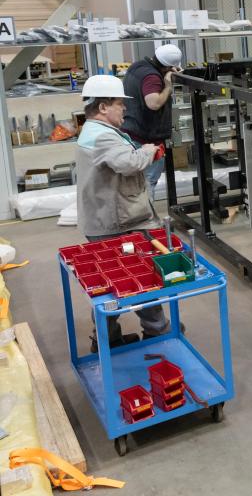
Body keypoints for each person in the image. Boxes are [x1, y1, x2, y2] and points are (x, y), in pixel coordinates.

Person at [76, 74, 169, 348]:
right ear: (103, 106)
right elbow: (128, 163)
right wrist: (149, 151)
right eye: (119, 103)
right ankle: (157, 332)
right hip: (116, 223)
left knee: (108, 284)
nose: (125, 108)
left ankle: (108, 340)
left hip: (103, 219)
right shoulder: (103, 135)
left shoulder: (93, 130)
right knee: (140, 278)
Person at [121, 43, 182, 194]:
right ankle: (147, 209)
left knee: (135, 183)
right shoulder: (152, 77)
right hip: (146, 138)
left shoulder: (137, 66)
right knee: (148, 182)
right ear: (168, 67)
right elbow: (153, 103)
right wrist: (168, 86)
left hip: (131, 130)